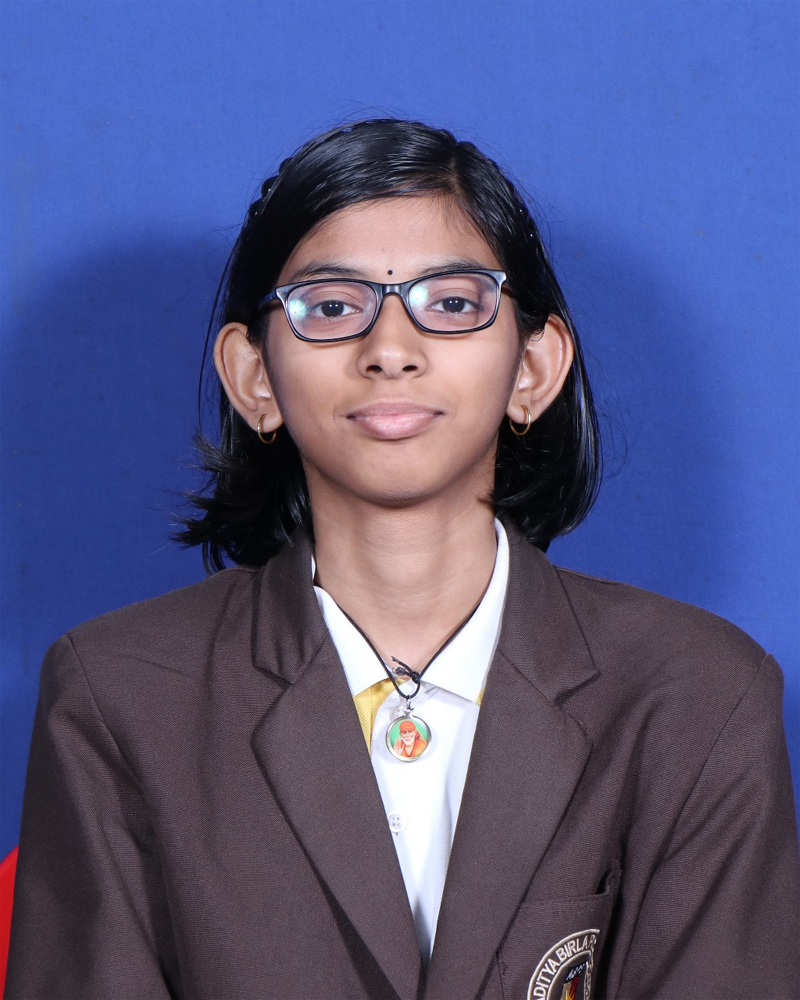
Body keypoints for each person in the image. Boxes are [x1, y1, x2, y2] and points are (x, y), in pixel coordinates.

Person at [5, 119, 799, 1000]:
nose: (389, 350)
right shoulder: (119, 695)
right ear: (254, 377)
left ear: (534, 369)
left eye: (452, 304)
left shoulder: (698, 695)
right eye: (331, 307)